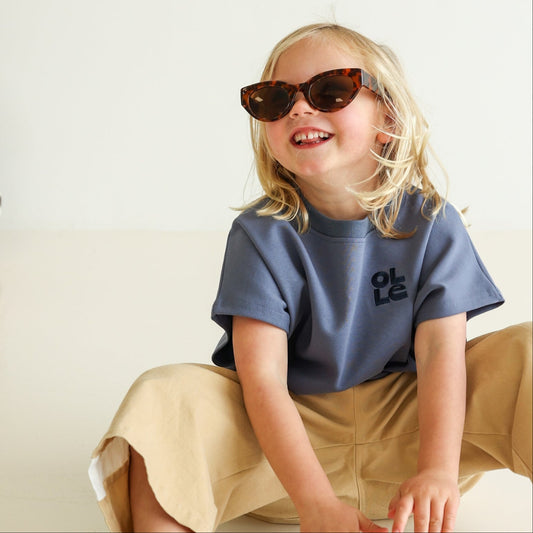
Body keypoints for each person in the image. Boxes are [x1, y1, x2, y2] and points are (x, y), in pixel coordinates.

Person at [88, 23, 532, 533]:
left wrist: (436, 469)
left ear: (387, 118)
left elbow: (439, 354)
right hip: (285, 461)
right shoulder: (260, 234)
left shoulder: (432, 221)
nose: (299, 108)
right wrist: (316, 503)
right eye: (275, 99)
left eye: (331, 90)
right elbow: (263, 380)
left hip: (415, 444)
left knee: (527, 350)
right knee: (162, 397)